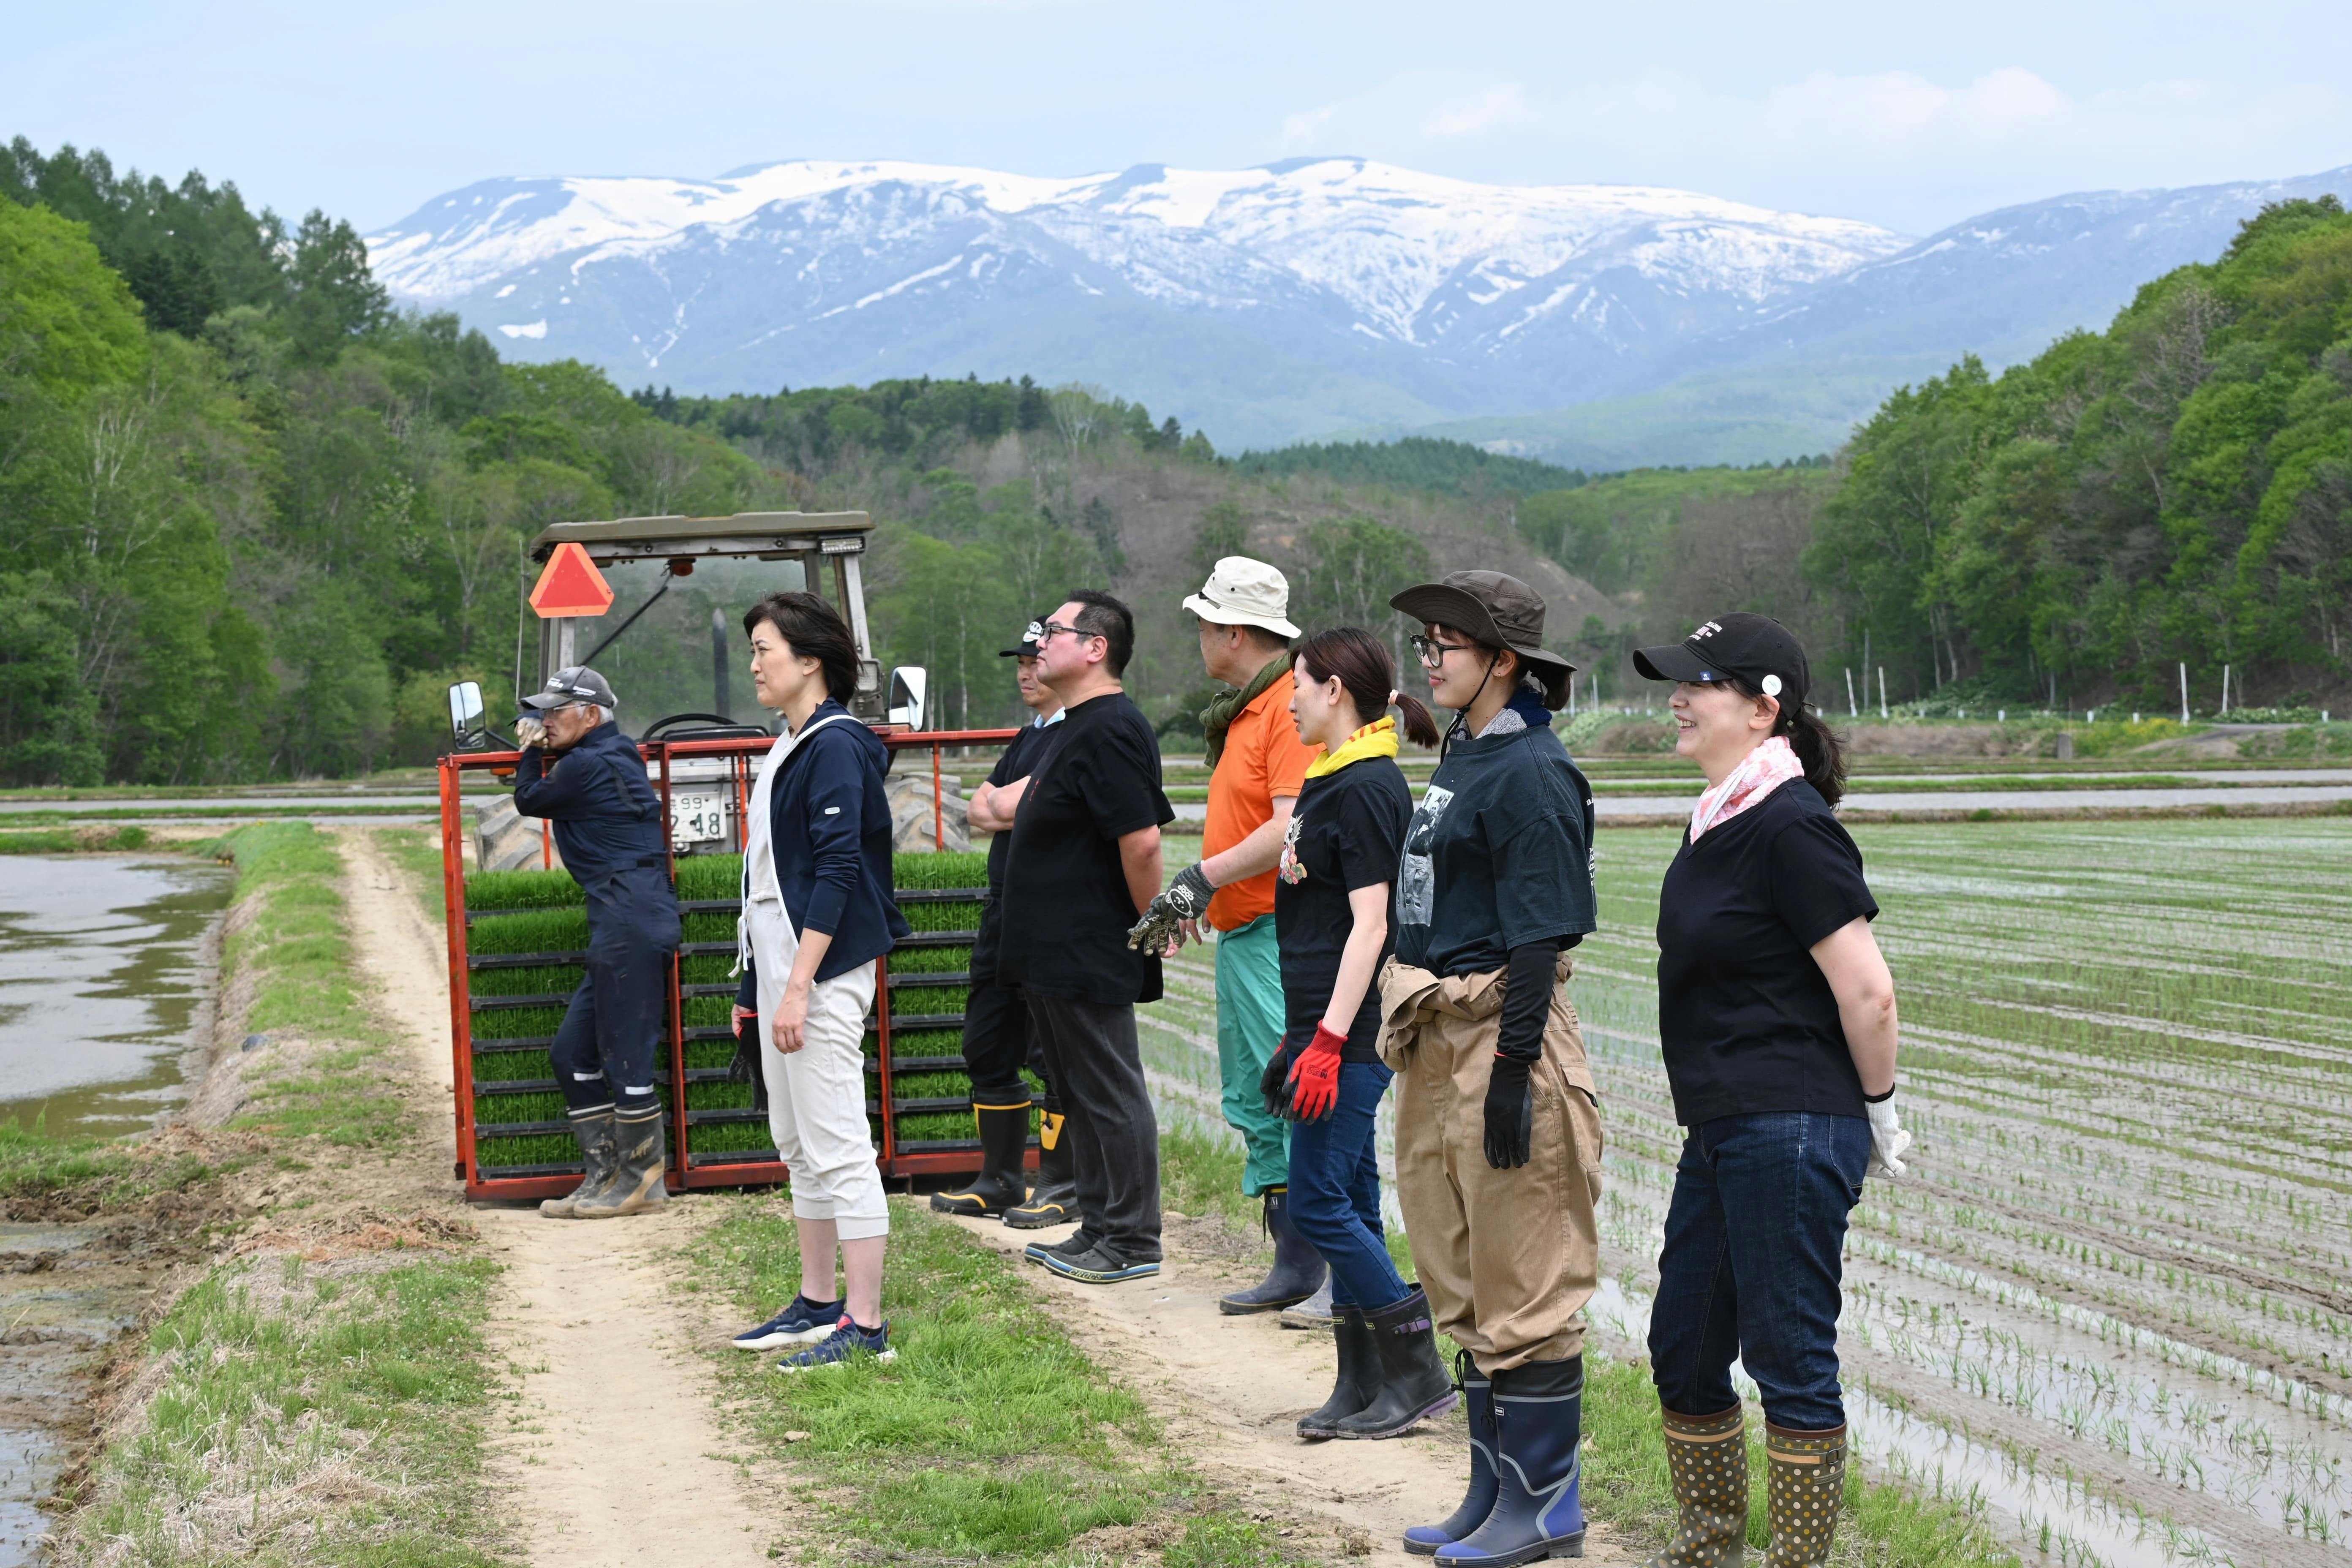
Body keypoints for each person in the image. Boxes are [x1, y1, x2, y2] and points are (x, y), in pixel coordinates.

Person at [1631, 612, 1911, 1568]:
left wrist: (1879, 1108)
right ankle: (1710, 1549)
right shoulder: (1720, 817)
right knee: (1684, 1343)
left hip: (1790, 1123)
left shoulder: (1792, 826)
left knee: (1788, 1356)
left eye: (1699, 684)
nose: (1678, 699)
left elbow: (1868, 990)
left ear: (1763, 709)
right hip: (1722, 1123)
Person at [1380, 572, 1602, 1568]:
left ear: (1504, 660)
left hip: (1505, 1033)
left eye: (1449, 644)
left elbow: (1541, 933)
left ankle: (1544, 1506)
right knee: (1463, 1276)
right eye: (1427, 641)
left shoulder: (1535, 775)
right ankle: (1491, 1490)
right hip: (1437, 1030)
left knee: (1526, 1279)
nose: (1430, 657)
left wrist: (1513, 1073)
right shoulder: (1469, 751)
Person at [1267, 627, 1453, 1443]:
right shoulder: (1332, 776)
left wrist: (1329, 1041)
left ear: (1334, 689)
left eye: (1298, 686)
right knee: (1348, 1198)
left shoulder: (1369, 787)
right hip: (1322, 1024)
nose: (1290, 701)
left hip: (1351, 1032)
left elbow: (1372, 926)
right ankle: (1362, 1380)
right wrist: (1300, 1034)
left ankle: (1419, 1374)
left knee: (1314, 1199)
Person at [1127, 555, 1322, 1315]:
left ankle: (1327, 1265)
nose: (1200, 638)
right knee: (1253, 1095)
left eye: (1205, 624)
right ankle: (1293, 1265)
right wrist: (1209, 899)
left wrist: (1201, 878)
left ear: (1234, 632)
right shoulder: (1244, 709)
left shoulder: (1285, 708)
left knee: (1292, 1089)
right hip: (1243, 930)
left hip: (1277, 932)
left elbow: (1287, 828)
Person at [725, 591, 912, 1371]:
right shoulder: (790, 743)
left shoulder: (835, 745)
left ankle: (865, 1326)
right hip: (780, 959)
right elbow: (764, 879)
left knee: (838, 1144)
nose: (755, 664)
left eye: (764, 648)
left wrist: (799, 986)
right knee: (797, 1142)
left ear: (809, 661)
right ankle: (816, 1302)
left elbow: (837, 872)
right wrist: (755, 990)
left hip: (822, 967)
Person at [997, 591, 1174, 1285]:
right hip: (1051, 952)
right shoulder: (1073, 726)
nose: (1040, 642)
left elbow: (1142, 841)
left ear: (1096, 648)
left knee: (1109, 1090)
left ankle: (1132, 1239)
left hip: (1089, 947)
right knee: (1079, 1090)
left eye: (1054, 632)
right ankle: (1100, 1226)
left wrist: (1152, 920)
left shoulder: (1114, 729)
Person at [511, 666, 683, 1220]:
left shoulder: (588, 763)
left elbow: (529, 800)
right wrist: (544, 746)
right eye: (541, 713)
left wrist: (528, 751)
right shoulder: (606, 756)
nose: (544, 721)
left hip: (629, 920)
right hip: (622, 918)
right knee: (571, 1053)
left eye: (554, 712)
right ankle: (604, 1178)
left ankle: (642, 1185)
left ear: (590, 716)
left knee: (627, 1058)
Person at [931, 617, 1074, 1224]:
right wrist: (1012, 805)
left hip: (1050, 915)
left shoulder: (1075, 734)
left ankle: (1063, 1184)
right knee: (987, 1043)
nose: (1025, 673)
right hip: (1001, 911)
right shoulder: (1027, 737)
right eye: (1019, 663)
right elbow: (978, 811)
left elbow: (1024, 807)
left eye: (1035, 660)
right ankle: (1000, 1180)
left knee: (1054, 1054)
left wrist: (1010, 805)